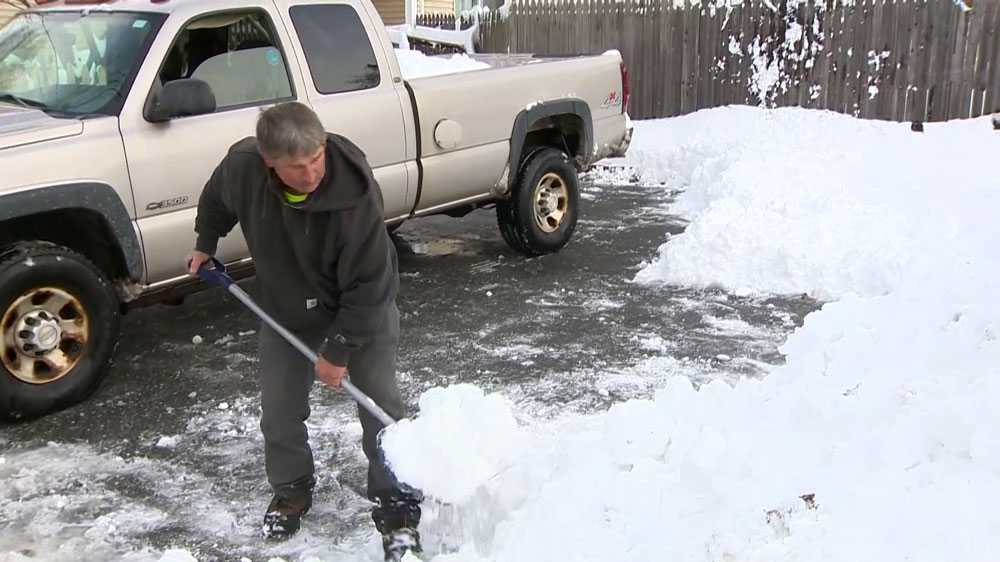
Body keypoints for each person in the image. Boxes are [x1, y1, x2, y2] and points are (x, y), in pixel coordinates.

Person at [187, 102, 421, 560]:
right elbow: (216, 199)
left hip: (357, 309)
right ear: (268, 160)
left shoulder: (353, 191)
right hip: (286, 308)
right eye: (297, 167)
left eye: (317, 158)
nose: (312, 172)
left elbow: (371, 283)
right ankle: (292, 488)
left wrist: (338, 351)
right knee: (278, 409)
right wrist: (204, 243)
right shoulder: (242, 168)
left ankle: (396, 501)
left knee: (378, 403)